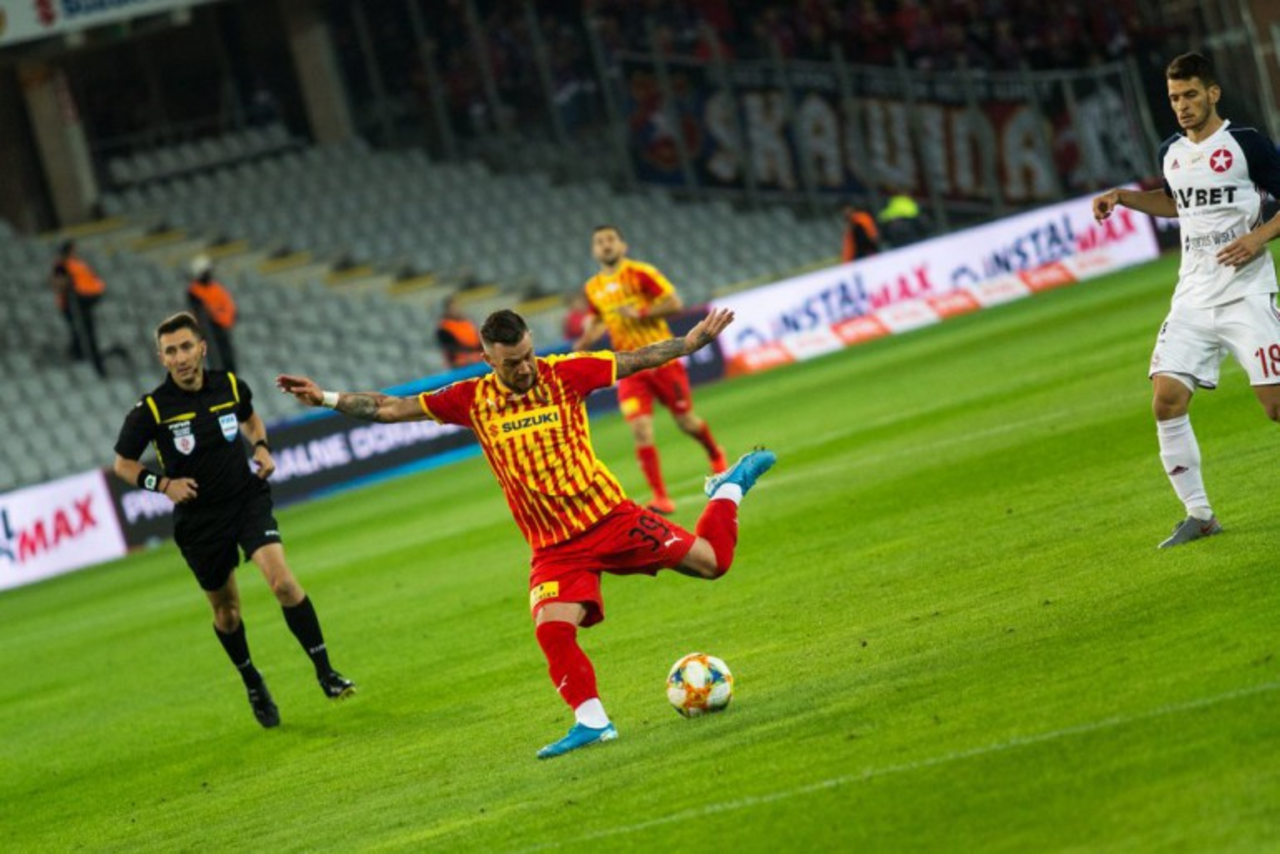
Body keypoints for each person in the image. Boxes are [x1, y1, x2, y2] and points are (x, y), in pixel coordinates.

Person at [277, 307, 775, 759]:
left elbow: (633, 359)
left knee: (713, 563)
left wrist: (687, 344)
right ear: (488, 360)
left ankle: (728, 489)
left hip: (610, 518)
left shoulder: (565, 373)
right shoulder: (471, 399)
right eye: (511, 363)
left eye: (528, 355)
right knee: (552, 629)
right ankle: (593, 722)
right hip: (554, 548)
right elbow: (389, 408)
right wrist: (325, 398)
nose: (524, 368)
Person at [112, 312, 355, 728]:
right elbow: (123, 464)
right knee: (227, 613)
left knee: (282, 582)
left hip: (245, 500)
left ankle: (326, 672)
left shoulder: (229, 385)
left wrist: (261, 446)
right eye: (171, 351)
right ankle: (252, 681)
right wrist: (164, 484)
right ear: (162, 358)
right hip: (200, 520)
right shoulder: (151, 409)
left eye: (186, 347)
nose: (180, 357)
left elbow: (250, 417)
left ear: (202, 348)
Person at [1092, 52, 1280, 548]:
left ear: (1213, 93)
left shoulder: (1247, 145)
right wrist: (1123, 196)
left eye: (1191, 94)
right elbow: (1176, 202)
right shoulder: (1170, 151)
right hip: (1192, 298)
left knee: (1275, 406)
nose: (1182, 105)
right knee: (1166, 400)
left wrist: (1258, 237)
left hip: (1246, 294)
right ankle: (1199, 515)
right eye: (1174, 97)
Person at [573, 225, 728, 515]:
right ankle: (661, 497)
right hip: (629, 367)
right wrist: (583, 342)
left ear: (623, 245)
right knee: (641, 430)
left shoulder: (641, 273)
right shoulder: (592, 287)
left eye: (610, 239)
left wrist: (641, 312)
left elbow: (674, 303)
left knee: (686, 422)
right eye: (599, 242)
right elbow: (597, 320)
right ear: (594, 250)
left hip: (662, 360)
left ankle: (715, 452)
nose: (605, 245)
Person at [50, 239, 107, 377]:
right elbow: (59, 283)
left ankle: (81, 356)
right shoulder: (62, 264)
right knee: (82, 333)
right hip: (73, 303)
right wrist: (69, 289)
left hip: (85, 301)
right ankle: (81, 358)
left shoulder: (78, 263)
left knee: (85, 333)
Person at [186, 254, 238, 373]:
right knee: (217, 361)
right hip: (209, 331)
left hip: (222, 329)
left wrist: (221, 315)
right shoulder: (194, 291)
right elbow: (200, 312)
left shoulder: (216, 288)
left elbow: (229, 306)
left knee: (228, 361)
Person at [436, 294, 485, 369]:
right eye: (453, 307)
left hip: (478, 358)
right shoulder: (444, 327)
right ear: (447, 310)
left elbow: (478, 340)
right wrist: (472, 354)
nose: (457, 309)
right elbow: (451, 348)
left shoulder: (467, 322)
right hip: (460, 364)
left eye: (458, 306)